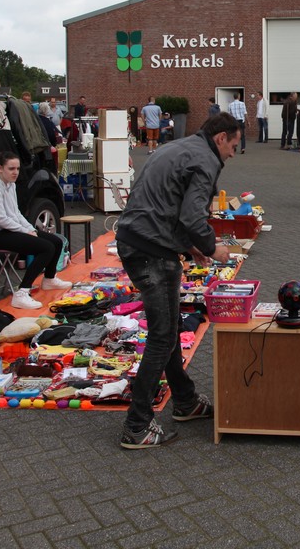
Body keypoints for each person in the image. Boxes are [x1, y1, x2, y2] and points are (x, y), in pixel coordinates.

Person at [114, 112, 241, 448]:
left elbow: (166, 203)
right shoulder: (205, 160)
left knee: (168, 331)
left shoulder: (180, 147)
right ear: (220, 138)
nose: (233, 154)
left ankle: (185, 400)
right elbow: (191, 216)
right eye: (233, 146)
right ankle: (136, 425)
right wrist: (213, 248)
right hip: (149, 250)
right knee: (162, 337)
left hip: (143, 242)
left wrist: (189, 246)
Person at [0, 151, 70, 310]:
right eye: (11, 169)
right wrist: (24, 231)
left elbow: (15, 214)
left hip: (6, 229)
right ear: (0, 168)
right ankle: (22, 293)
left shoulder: (10, 184)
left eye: (18, 169)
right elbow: (0, 219)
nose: (15, 172)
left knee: (56, 241)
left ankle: (49, 279)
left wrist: (30, 229)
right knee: (46, 248)